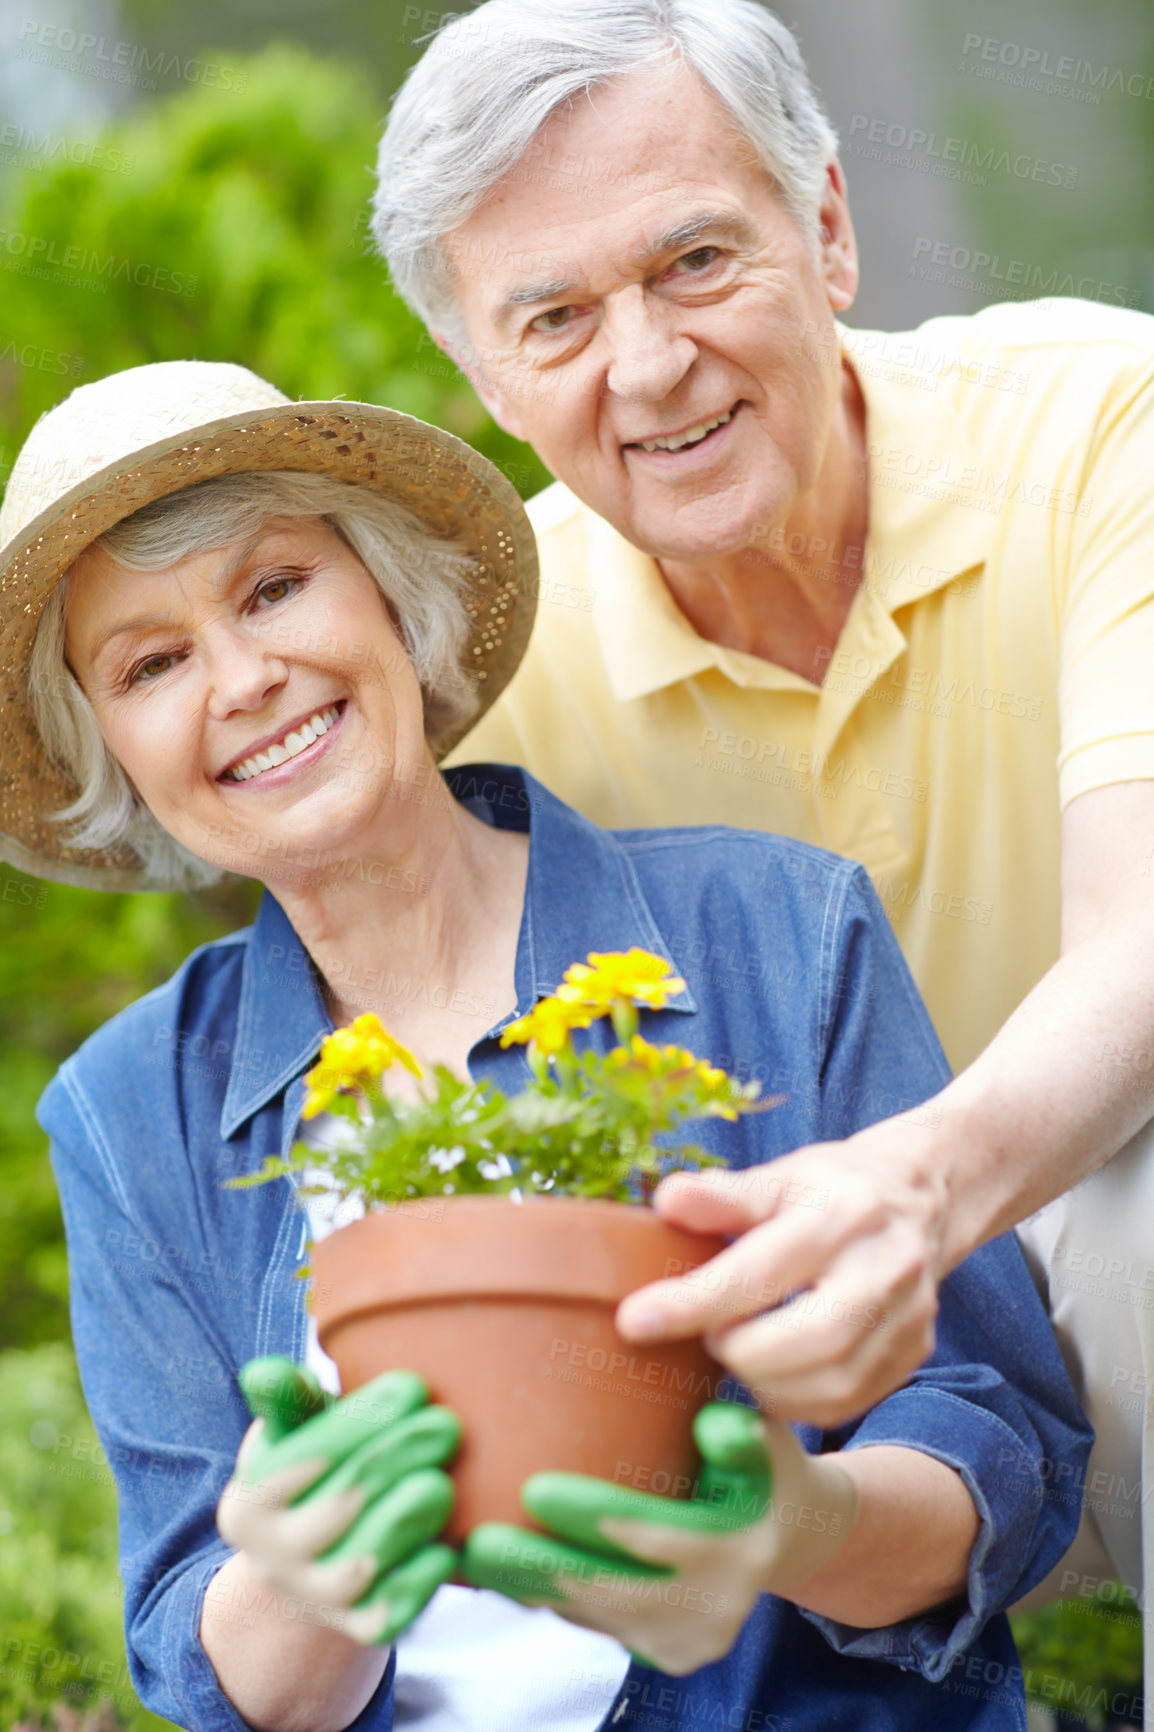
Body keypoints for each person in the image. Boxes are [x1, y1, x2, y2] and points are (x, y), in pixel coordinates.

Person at [1, 359, 1088, 1732]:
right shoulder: (124, 1115)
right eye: (150, 663)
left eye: (273, 587)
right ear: (112, 747)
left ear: (388, 594)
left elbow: (997, 1440)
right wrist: (302, 1583)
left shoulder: (773, 928)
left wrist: (793, 1526)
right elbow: (205, 1655)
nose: (244, 678)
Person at [372, 0, 1154, 1635]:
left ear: (827, 230)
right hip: (804, 1416)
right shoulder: (484, 689)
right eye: (555, 316)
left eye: (695, 263)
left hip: (1091, 1267)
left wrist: (915, 1196)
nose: (648, 364)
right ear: (481, 375)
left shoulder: (1101, 426)